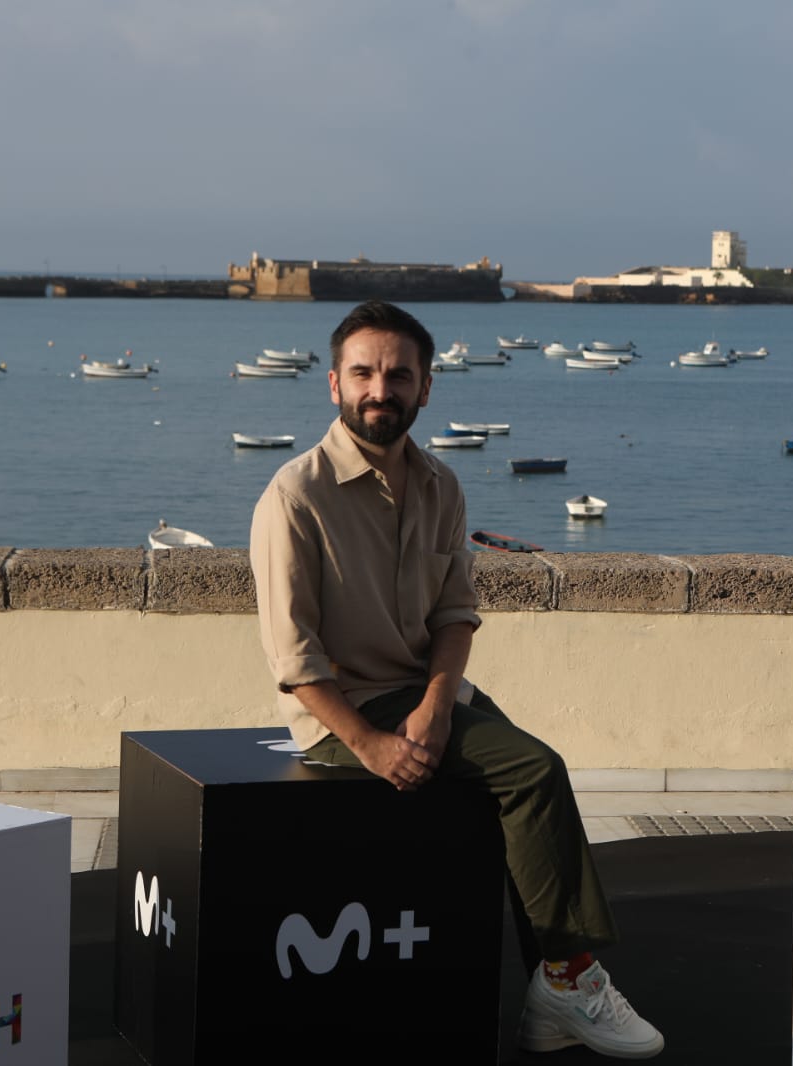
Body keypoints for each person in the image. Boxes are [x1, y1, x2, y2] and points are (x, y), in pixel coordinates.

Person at [249, 300, 664, 1060]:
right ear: (334, 385)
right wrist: (371, 745)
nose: (382, 389)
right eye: (364, 373)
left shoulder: (440, 485)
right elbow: (292, 659)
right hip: (349, 712)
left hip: (422, 693)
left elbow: (454, 613)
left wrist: (439, 705)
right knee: (534, 771)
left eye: (398, 374)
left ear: (426, 388)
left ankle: (551, 991)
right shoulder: (292, 496)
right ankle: (568, 978)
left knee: (520, 787)